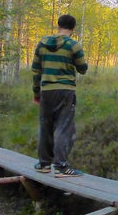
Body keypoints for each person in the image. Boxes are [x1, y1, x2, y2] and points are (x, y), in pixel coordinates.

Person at [32, 14, 88, 177]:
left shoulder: (42, 44)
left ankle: (44, 164)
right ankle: (61, 166)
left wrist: (36, 93)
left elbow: (36, 70)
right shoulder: (73, 45)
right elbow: (82, 68)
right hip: (65, 91)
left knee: (45, 126)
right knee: (64, 127)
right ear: (73, 29)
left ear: (58, 25)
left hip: (46, 90)